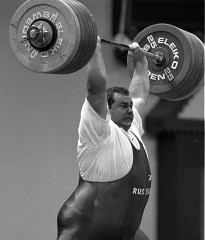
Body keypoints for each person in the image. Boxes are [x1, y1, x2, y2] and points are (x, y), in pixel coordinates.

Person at [56, 37, 151, 240]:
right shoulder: (98, 131)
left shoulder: (133, 129)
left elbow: (140, 92)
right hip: (83, 230)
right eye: (123, 106)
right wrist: (94, 50)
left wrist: (141, 63)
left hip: (122, 233)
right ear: (106, 110)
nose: (130, 110)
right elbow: (96, 88)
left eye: (130, 106)